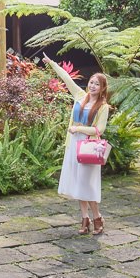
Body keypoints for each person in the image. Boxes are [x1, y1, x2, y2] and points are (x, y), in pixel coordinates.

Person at [42, 54, 111, 235]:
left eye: (97, 84)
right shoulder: (80, 96)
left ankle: (97, 217)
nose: (92, 85)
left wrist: (79, 129)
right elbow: (66, 78)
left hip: (89, 147)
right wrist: (52, 64)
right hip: (74, 146)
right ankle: (84, 219)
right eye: (91, 82)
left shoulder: (103, 107)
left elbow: (99, 130)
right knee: (78, 184)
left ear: (103, 88)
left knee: (87, 184)